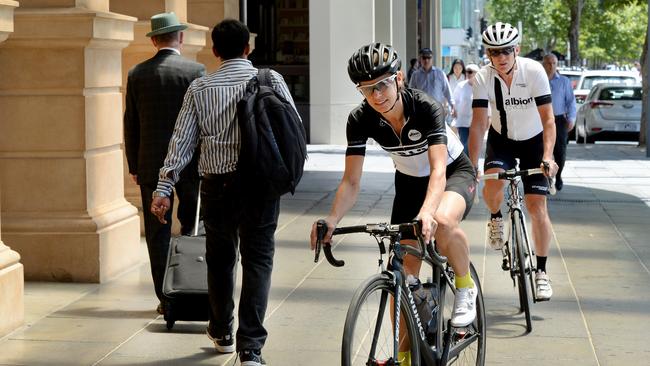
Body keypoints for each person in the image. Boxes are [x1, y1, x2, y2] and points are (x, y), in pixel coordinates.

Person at [310, 43, 477, 365]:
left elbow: (439, 170)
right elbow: (351, 181)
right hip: (409, 184)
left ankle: (465, 286)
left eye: (382, 85)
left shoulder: (426, 107)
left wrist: (428, 212)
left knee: (441, 221)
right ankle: (403, 358)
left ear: (399, 78)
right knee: (400, 274)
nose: (376, 95)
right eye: (366, 89)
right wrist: (331, 219)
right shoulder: (360, 119)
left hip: (454, 172)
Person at [150, 19, 298, 366]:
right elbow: (293, 127)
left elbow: (181, 143)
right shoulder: (270, 79)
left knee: (219, 261)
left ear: (214, 51)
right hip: (261, 185)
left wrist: (163, 187)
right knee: (259, 261)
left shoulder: (200, 88)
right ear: (248, 48)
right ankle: (251, 348)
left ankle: (222, 330)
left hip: (218, 187)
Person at [468, 22, 558, 301]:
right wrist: (472, 165)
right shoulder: (482, 78)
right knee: (492, 187)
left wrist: (547, 156)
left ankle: (541, 272)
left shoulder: (534, 72)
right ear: (488, 54)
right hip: (502, 141)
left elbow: (548, 120)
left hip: (534, 142)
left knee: (537, 207)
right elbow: (479, 124)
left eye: (507, 50)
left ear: (517, 49)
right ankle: (496, 218)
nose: (501, 57)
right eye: (495, 52)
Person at [123, 12, 204, 315]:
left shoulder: (137, 74)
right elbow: (202, 122)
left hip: (150, 164)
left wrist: (134, 164)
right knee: (192, 226)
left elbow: (131, 123)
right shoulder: (196, 70)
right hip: (191, 165)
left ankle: (165, 297)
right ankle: (191, 288)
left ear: (154, 40)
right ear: (180, 37)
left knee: (158, 233)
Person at [542, 53, 576, 191]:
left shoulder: (564, 81)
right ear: (543, 64)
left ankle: (559, 175)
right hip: (541, 121)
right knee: (542, 151)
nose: (551, 66)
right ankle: (546, 179)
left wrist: (571, 118)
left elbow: (571, 102)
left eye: (554, 63)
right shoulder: (538, 80)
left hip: (559, 120)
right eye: (549, 63)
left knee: (560, 152)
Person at [409, 47, 456, 122]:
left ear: (432, 59)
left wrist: (453, 106)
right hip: (421, 112)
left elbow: (447, 90)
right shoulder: (415, 75)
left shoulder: (440, 73)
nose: (426, 60)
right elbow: (410, 93)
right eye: (424, 58)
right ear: (420, 59)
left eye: (429, 57)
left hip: (437, 111)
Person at [452, 63, 480, 154]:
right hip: (463, 122)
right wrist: (454, 110)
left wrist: (488, 118)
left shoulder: (481, 87)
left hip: (476, 122)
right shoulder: (461, 86)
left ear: (477, 73)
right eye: (467, 71)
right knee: (465, 145)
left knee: (474, 145)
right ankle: (467, 167)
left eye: (470, 72)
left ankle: (473, 165)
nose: (468, 73)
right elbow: (454, 100)